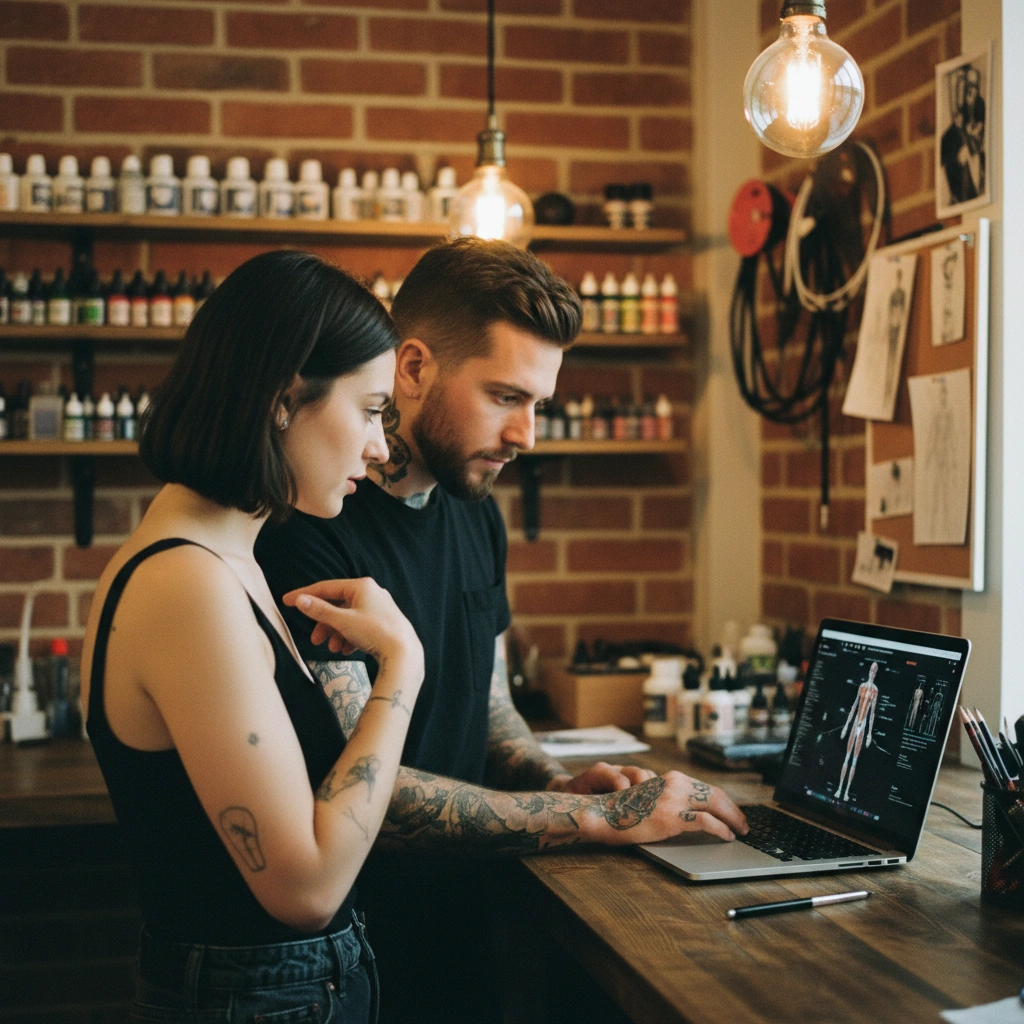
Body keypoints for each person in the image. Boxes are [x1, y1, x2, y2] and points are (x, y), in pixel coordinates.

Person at [256, 237, 748, 1024]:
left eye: (539, 405)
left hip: (459, 932)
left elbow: (488, 711)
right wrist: (599, 819)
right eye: (505, 397)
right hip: (346, 963)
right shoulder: (312, 526)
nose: (527, 435)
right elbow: (362, 790)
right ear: (411, 368)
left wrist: (553, 779)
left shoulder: (474, 512)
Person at [81, 250, 426, 1023]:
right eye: (371, 410)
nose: (380, 448)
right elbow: (305, 889)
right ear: (282, 401)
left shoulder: (223, 562)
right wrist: (402, 667)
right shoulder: (188, 584)